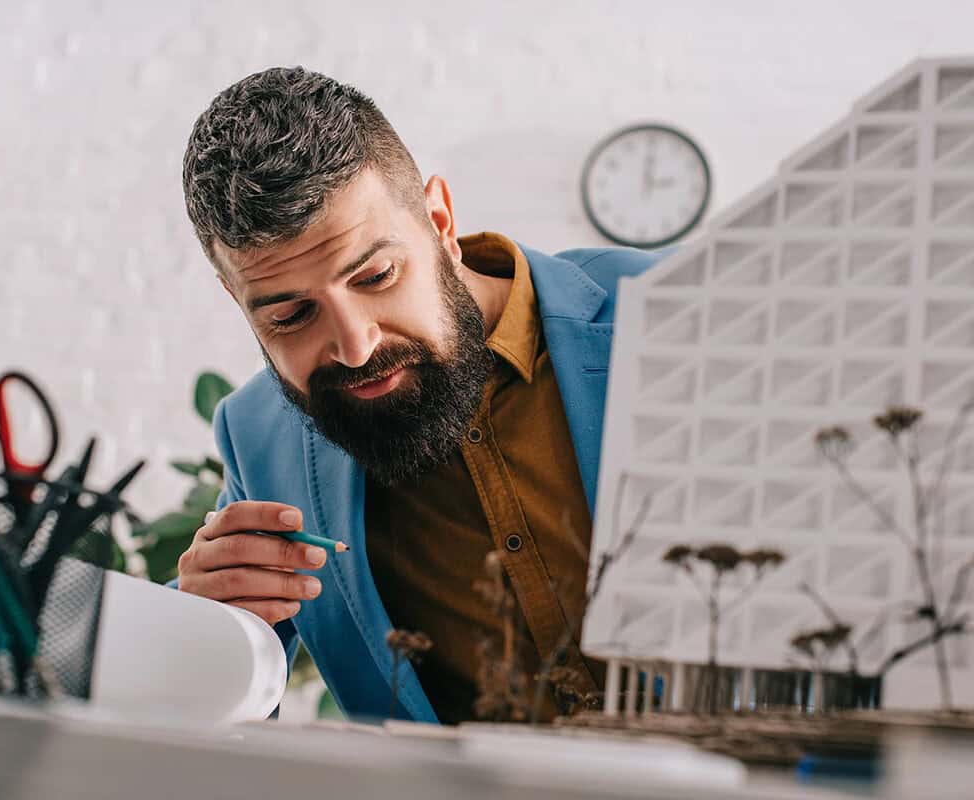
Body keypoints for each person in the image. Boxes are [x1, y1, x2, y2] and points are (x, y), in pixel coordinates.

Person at [176, 66, 665, 724]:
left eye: (376, 275)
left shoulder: (676, 307)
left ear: (439, 219)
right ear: (238, 299)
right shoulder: (257, 439)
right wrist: (208, 634)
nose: (354, 347)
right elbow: (210, 718)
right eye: (290, 317)